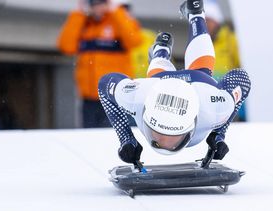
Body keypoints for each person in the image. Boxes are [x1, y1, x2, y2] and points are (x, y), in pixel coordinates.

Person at [98, 0, 251, 164]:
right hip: (191, 83)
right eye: (158, 133)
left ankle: (164, 48)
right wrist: (218, 134)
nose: (164, 143)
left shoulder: (138, 96)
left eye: (172, 137)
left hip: (180, 84)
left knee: (166, 75)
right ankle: (191, 21)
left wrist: (127, 139)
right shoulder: (216, 108)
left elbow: (105, 83)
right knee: (201, 68)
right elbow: (241, 79)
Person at [57, 0, 143, 128]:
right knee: (89, 139)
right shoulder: (84, 24)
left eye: (101, 2)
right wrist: (78, 13)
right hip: (89, 99)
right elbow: (66, 46)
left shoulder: (118, 20)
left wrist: (116, 11)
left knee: (113, 138)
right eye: (93, 3)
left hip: (114, 97)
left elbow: (134, 40)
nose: (97, 7)